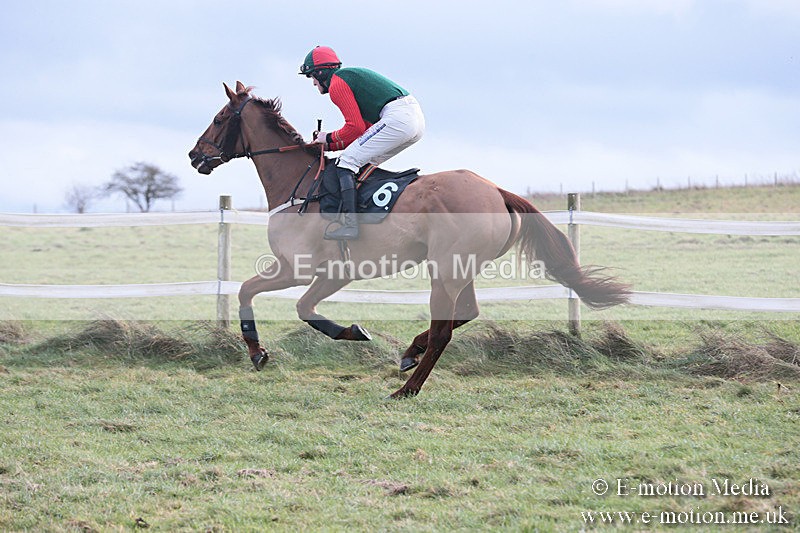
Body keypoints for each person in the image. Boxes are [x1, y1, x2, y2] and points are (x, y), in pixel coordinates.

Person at [300, 46, 425, 240]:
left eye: (311, 77)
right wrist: (329, 146)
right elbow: (362, 133)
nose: (313, 83)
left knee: (346, 163)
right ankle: (368, 213)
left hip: (397, 118)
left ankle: (351, 225)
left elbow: (355, 128)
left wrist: (327, 137)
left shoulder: (337, 84)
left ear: (321, 72)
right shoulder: (347, 79)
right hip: (412, 119)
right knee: (359, 162)